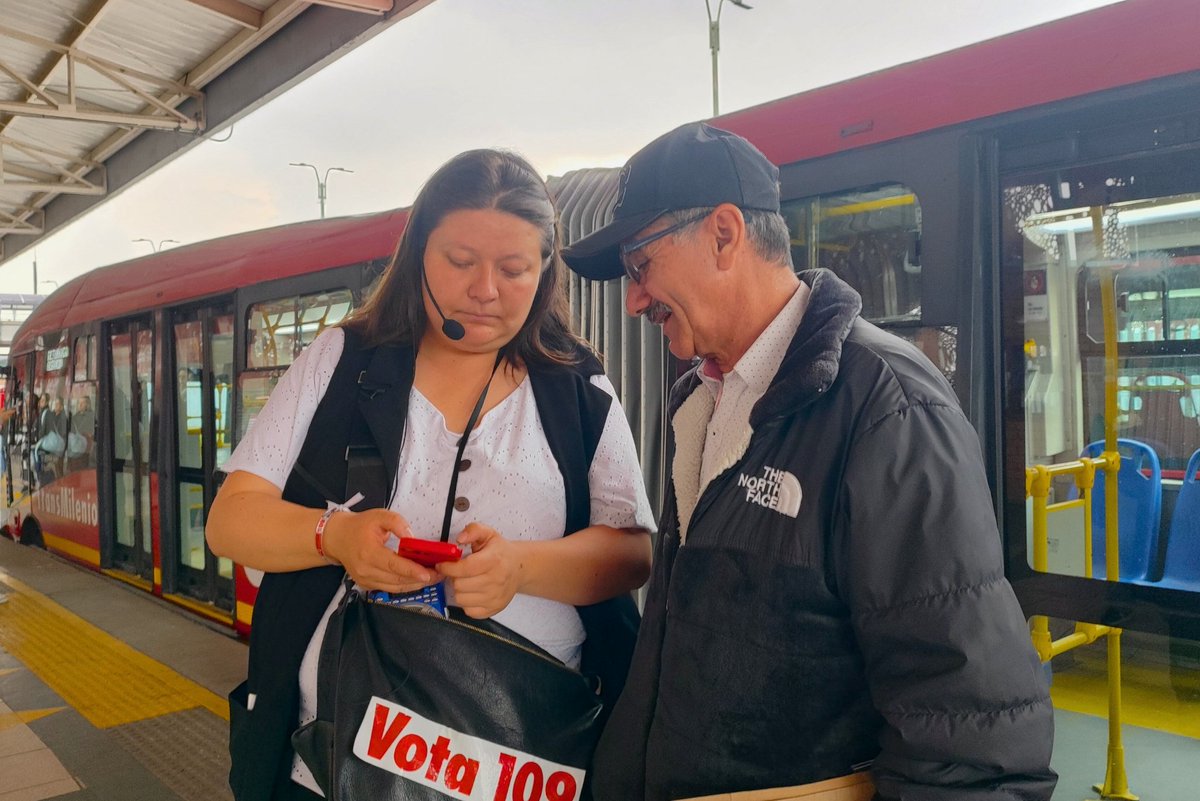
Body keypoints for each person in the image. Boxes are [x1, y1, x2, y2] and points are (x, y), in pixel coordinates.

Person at [562, 122, 1056, 801]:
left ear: (725, 234)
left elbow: (969, 723)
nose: (633, 300)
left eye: (640, 267)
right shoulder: (699, 400)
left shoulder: (888, 409)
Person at [206, 148, 655, 801]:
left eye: (514, 268)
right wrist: (334, 538)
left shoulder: (578, 389)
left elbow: (633, 553)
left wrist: (519, 569)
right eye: (460, 261)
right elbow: (230, 519)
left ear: (545, 272)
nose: (485, 290)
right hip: (331, 767)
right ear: (418, 252)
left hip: (517, 769)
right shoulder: (342, 360)